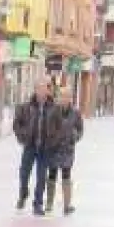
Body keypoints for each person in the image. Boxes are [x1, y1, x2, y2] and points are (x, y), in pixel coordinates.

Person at [13, 79, 54, 215]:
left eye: (44, 89)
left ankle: (38, 204)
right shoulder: (25, 107)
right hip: (30, 146)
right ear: (35, 90)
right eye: (39, 89)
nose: (42, 92)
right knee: (24, 174)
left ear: (48, 91)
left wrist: (53, 141)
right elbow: (17, 124)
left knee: (41, 177)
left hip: (45, 148)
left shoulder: (54, 108)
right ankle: (23, 193)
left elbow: (59, 126)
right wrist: (23, 136)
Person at [46, 86, 84, 216]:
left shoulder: (76, 113)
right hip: (55, 148)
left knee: (66, 175)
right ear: (58, 98)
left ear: (70, 98)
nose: (64, 99)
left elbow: (80, 129)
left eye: (67, 96)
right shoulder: (53, 111)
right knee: (52, 174)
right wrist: (54, 138)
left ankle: (67, 205)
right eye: (62, 96)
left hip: (68, 149)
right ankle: (49, 204)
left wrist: (74, 137)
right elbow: (48, 128)